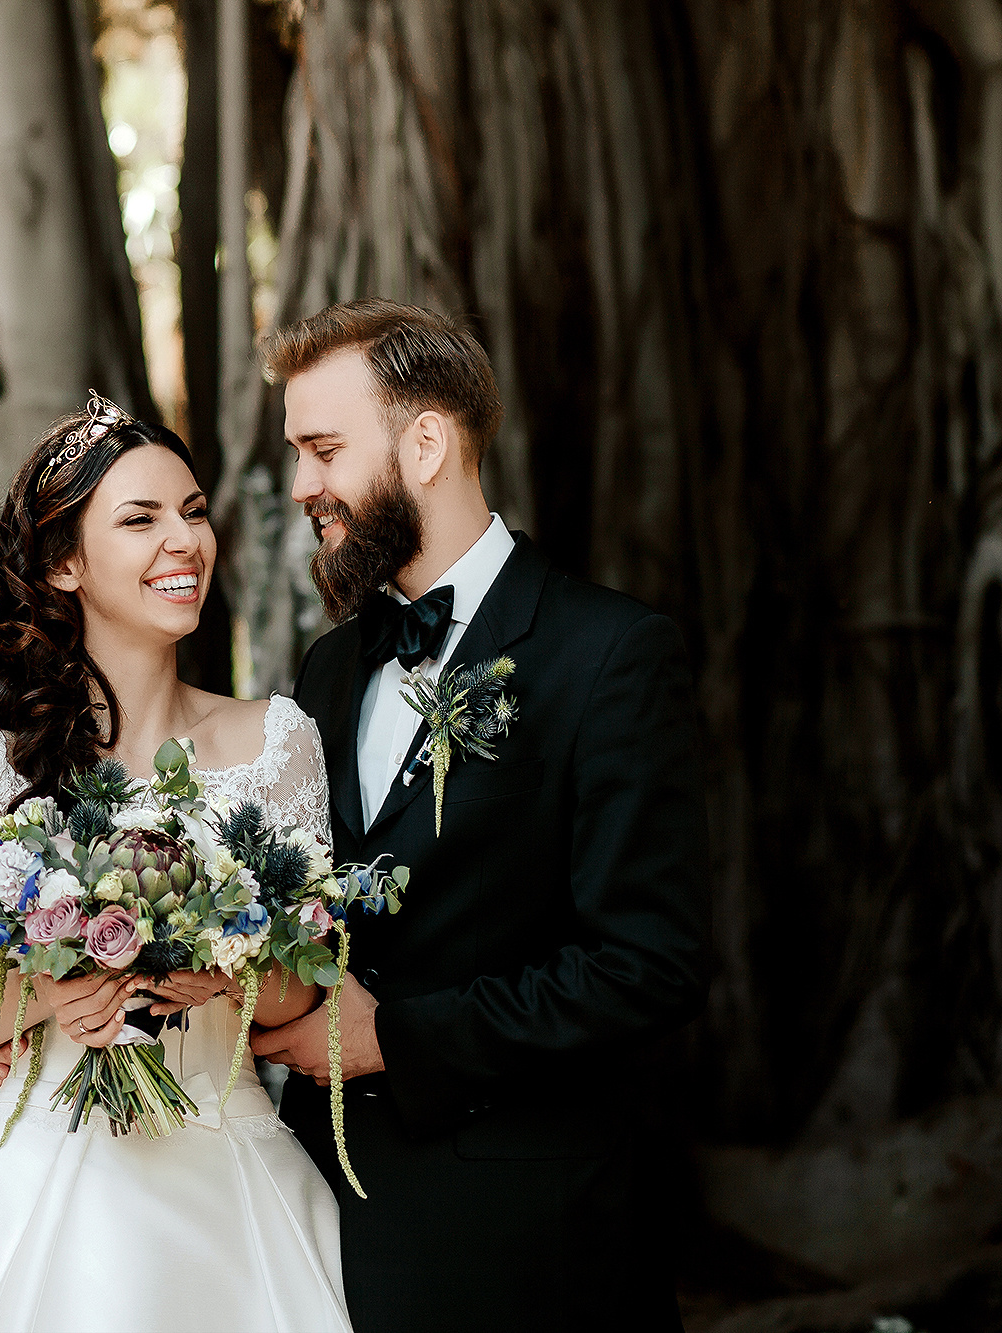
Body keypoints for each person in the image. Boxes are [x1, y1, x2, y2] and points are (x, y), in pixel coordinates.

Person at [0, 394, 353, 1333]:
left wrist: (214, 965)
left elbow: (301, 998)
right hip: (41, 1165)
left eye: (191, 510)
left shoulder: (277, 740)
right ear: (64, 563)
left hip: (228, 1163)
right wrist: (46, 994)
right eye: (139, 519)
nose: (182, 540)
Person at [249, 299, 711, 1332]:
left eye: (321, 448)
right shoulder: (330, 668)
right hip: (313, 1215)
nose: (299, 486)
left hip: (524, 1237)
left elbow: (648, 964)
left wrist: (397, 1040)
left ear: (424, 442)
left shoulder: (608, 656)